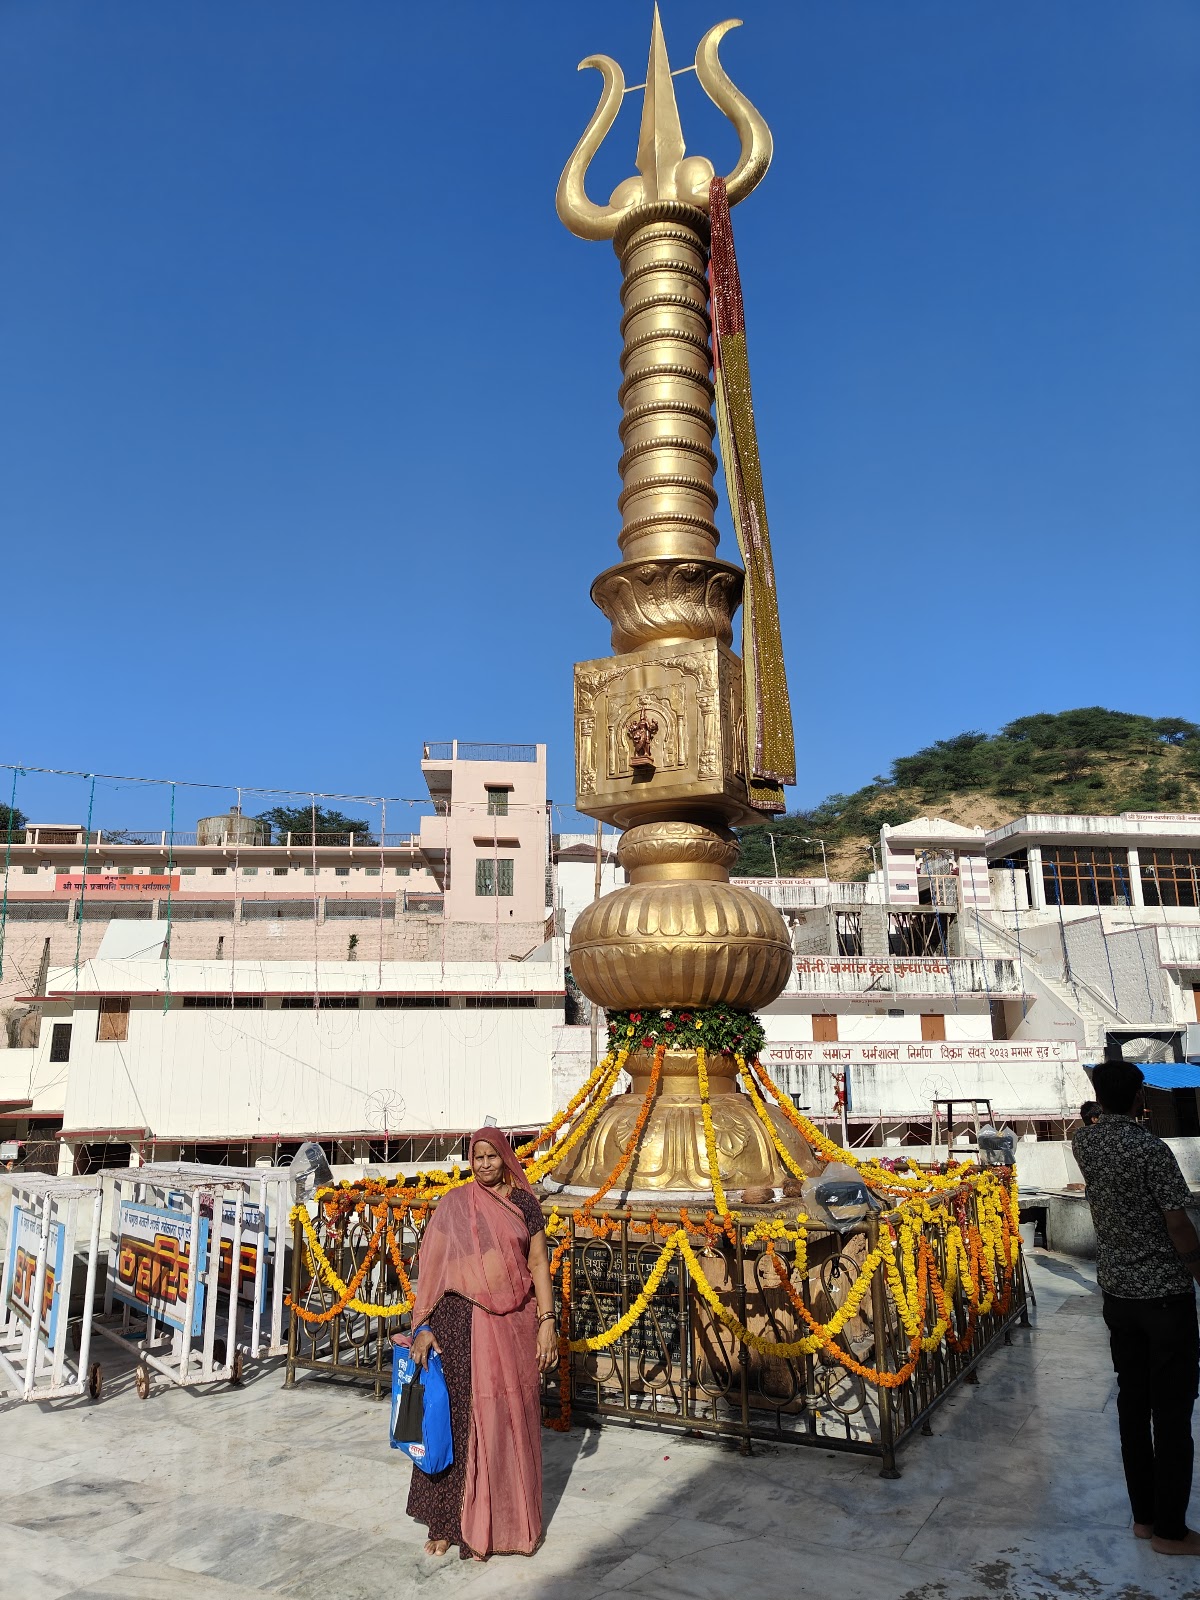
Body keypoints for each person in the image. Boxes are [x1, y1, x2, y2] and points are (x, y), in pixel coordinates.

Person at [398, 1128, 557, 1561]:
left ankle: (503, 1520)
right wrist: (424, 1326)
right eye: (477, 1157)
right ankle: (446, 1523)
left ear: (505, 1157)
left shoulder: (524, 1203)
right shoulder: (455, 1204)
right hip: (457, 1323)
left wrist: (547, 1322)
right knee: (455, 1422)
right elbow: (433, 1270)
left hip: (511, 1325)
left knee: (506, 1420)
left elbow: (539, 1263)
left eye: (491, 1156)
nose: (484, 1164)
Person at [1072, 1058, 1200, 1557]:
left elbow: (1091, 1126)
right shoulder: (1151, 1149)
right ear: (1139, 1098)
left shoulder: (1085, 1143)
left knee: (1132, 1404)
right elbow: (1179, 1225)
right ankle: (1171, 1531)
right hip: (1164, 1297)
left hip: (1118, 1295)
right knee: (1171, 1415)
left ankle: (1144, 1520)